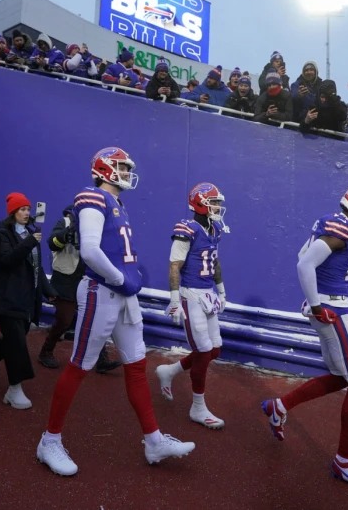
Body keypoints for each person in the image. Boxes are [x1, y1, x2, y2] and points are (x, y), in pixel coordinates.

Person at [36, 147, 195, 476]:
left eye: (126, 166)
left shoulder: (117, 203)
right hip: (102, 291)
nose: (126, 171)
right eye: (121, 166)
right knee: (80, 366)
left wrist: (124, 284)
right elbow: (91, 250)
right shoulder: (92, 196)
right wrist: (121, 279)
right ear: (104, 168)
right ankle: (49, 440)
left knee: (136, 365)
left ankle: (153, 440)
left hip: (121, 295)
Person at [261, 184, 348, 494]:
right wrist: (318, 306)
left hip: (330, 306)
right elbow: (304, 263)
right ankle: (344, 464)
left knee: (341, 377)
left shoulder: (335, 222)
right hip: (333, 309)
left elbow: (303, 253)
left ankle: (280, 406)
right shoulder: (341, 226)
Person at [155, 183, 230, 430]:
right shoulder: (186, 228)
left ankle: (169, 371)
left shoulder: (215, 227)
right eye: (213, 202)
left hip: (208, 293)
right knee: (203, 352)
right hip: (191, 294)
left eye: (218, 202)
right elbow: (174, 265)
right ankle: (198, 407)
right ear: (200, 203)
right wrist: (175, 300)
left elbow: (215, 260)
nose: (218, 206)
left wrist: (221, 289)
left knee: (214, 351)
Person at [0, 193, 57, 410]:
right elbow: (7, 259)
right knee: (18, 343)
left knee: (15, 338)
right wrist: (30, 242)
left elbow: (36, 268)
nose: (27, 213)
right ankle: (14, 389)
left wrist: (48, 291)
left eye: (28, 209)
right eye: (22, 209)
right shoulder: (2, 233)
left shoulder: (31, 233)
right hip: (7, 297)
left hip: (26, 298)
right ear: (12, 212)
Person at [38, 205, 122, 372]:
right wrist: (68, 231)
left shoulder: (94, 227)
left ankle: (101, 359)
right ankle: (45, 352)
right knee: (64, 320)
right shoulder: (64, 222)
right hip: (65, 280)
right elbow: (52, 243)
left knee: (96, 320)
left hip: (86, 279)